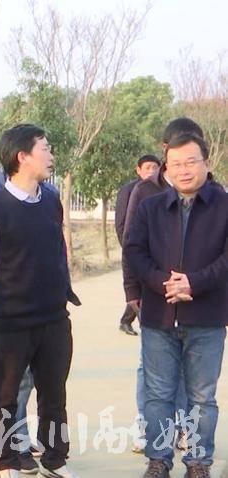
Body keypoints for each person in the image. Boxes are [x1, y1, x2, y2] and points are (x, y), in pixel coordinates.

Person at [125, 132, 228, 478]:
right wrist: (162, 282)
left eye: (191, 162)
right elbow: (134, 251)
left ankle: (198, 462)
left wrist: (194, 283)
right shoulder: (151, 207)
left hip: (207, 317)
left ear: (206, 163)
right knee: (158, 395)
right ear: (166, 168)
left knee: (202, 397)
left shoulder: (224, 206)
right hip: (159, 316)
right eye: (176, 164)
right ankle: (158, 460)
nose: (184, 170)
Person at [0, 124, 80, 478]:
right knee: (6, 396)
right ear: (22, 156)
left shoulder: (51, 199)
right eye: (45, 148)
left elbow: (57, 249)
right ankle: (7, 462)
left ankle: (55, 459)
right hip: (11, 319)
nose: (51, 155)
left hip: (53, 316)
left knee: (54, 394)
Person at [122, 119, 205, 454]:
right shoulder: (146, 191)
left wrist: (196, 284)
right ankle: (148, 427)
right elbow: (130, 243)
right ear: (166, 150)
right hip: (154, 296)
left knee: (190, 370)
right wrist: (133, 293)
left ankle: (184, 428)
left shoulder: (211, 192)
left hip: (198, 299)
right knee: (152, 369)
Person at [115, 154, 161, 336]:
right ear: (138, 170)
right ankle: (134, 323)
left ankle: (130, 321)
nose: (151, 171)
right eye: (147, 167)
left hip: (155, 254)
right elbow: (121, 223)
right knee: (138, 290)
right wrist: (129, 249)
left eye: (155, 167)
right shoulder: (130, 190)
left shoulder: (161, 189)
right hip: (135, 250)